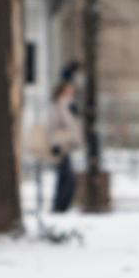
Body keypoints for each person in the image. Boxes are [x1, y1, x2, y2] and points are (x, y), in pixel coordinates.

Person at [49, 79, 82, 212]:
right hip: (60, 145)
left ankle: (60, 208)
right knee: (68, 179)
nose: (71, 91)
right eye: (68, 89)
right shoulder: (59, 105)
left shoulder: (70, 105)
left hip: (68, 145)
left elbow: (75, 125)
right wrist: (54, 144)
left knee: (64, 178)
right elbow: (53, 125)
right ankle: (60, 208)